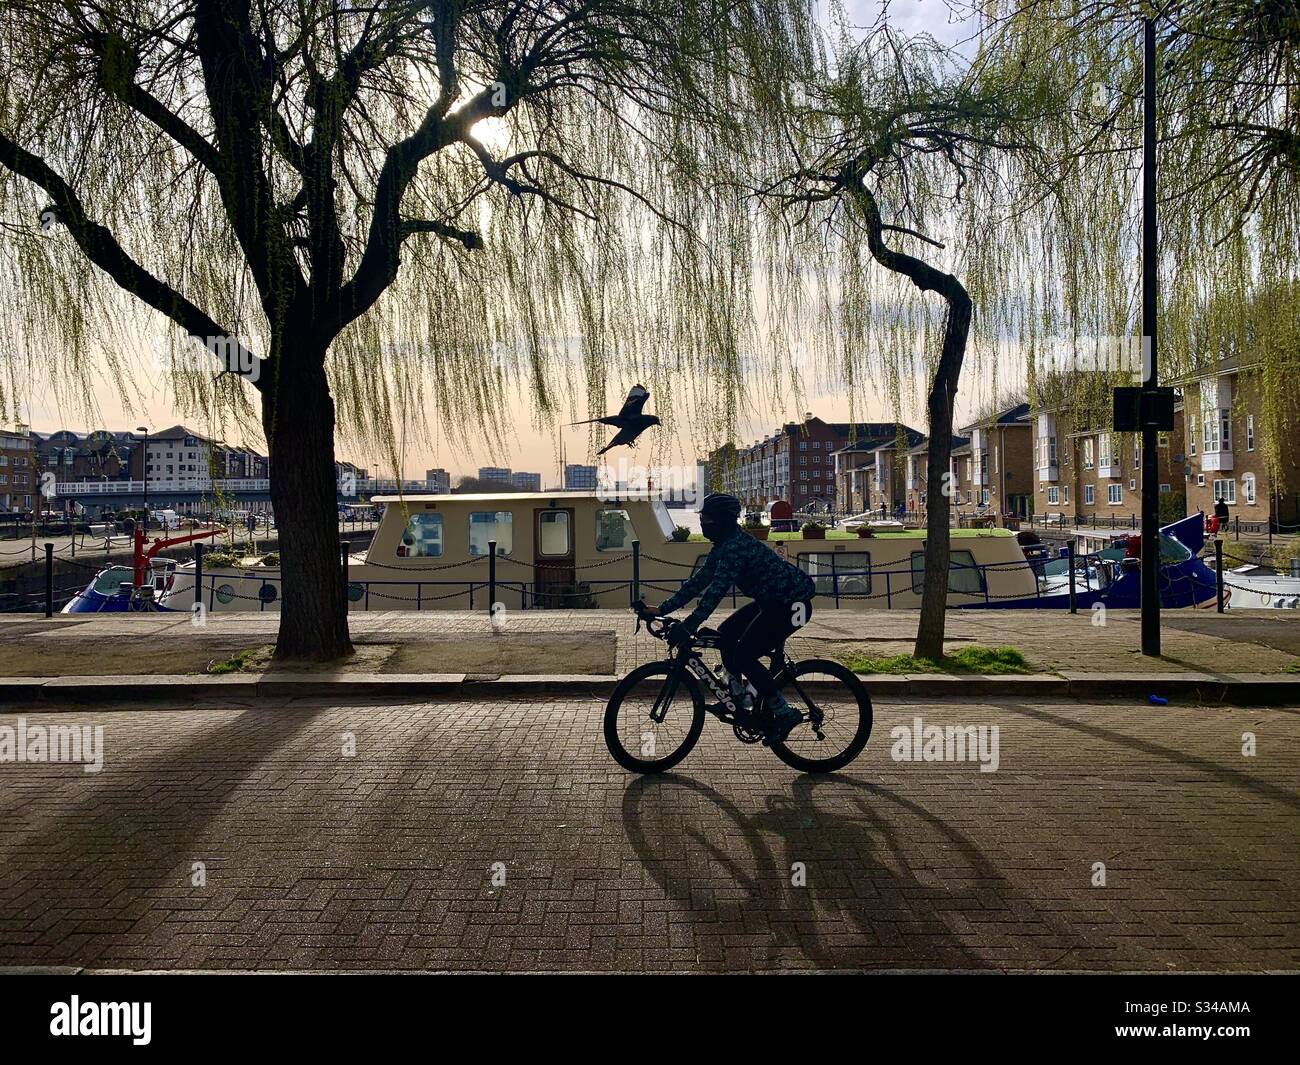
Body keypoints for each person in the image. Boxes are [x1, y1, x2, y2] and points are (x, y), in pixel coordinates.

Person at [641, 493, 814, 743]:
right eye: (702, 517)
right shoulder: (723, 545)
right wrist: (662, 610)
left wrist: (689, 625)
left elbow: (715, 592)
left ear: (723, 521)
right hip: (771, 602)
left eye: (707, 518)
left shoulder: (735, 547)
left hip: (792, 604)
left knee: (744, 655)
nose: (703, 522)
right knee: (725, 635)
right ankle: (740, 699)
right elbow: (698, 582)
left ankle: (784, 713)